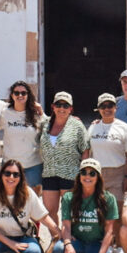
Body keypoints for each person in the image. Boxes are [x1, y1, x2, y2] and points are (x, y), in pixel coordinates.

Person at [51, 157, 119, 253]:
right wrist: (68, 244)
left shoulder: (108, 199)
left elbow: (110, 231)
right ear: (79, 176)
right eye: (84, 173)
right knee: (58, 249)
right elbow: (66, 225)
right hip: (79, 243)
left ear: (98, 177)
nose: (87, 176)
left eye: (92, 173)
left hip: (97, 246)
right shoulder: (69, 197)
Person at [87, 92, 127, 245]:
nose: (107, 109)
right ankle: (102, 245)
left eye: (110, 106)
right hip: (97, 176)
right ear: (98, 109)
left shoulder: (124, 128)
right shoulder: (92, 129)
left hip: (117, 173)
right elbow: (87, 153)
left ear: (116, 107)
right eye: (103, 106)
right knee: (98, 213)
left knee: (117, 213)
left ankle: (119, 246)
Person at [38, 91, 91, 222]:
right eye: (58, 104)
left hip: (70, 174)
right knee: (49, 211)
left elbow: (85, 149)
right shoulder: (45, 124)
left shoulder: (77, 126)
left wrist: (83, 174)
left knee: (70, 211)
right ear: (53, 106)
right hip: (49, 173)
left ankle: (68, 239)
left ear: (71, 109)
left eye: (66, 105)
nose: (62, 108)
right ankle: (56, 238)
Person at [0, 81, 45, 192]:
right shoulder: (4, 113)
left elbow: (50, 127)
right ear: (12, 95)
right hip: (10, 166)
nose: (20, 95)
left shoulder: (36, 114)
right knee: (10, 200)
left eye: (23, 93)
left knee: (32, 202)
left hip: (32, 166)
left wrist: (41, 111)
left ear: (28, 95)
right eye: (17, 93)